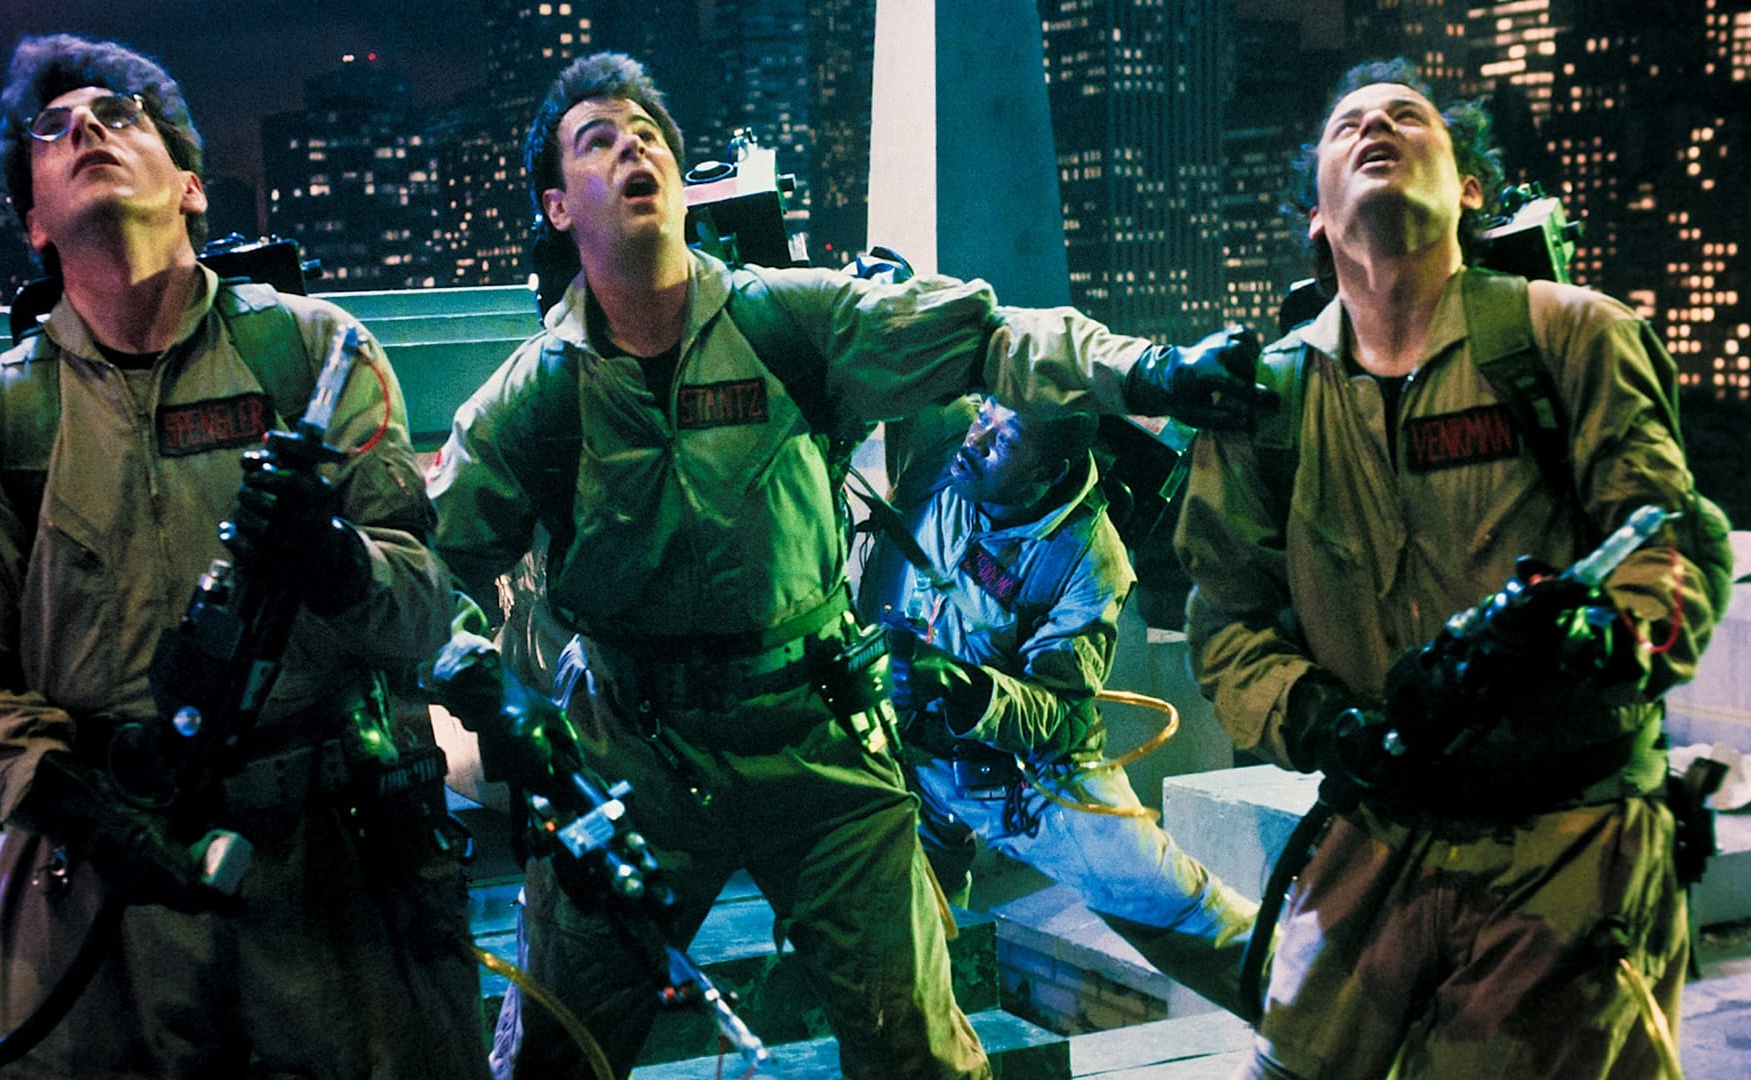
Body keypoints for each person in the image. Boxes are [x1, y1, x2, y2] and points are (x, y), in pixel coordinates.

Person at [428, 51, 1266, 1080]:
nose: (632, 149)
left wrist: (1150, 371)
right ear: (559, 206)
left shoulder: (792, 323)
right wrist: (482, 681)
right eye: (597, 141)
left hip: (816, 738)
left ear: (681, 183)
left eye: (648, 135)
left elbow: (985, 337)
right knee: (554, 1056)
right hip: (629, 754)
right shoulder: (531, 401)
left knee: (919, 1051)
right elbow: (431, 572)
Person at [0, 34, 487, 1077]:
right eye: (54, 129)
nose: (87, 130)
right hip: (101, 884)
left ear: (190, 187)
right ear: (34, 221)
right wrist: (72, 805)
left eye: (119, 115)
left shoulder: (315, 354)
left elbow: (422, 612)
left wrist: (338, 562)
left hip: (332, 870)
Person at [1176, 58, 1732, 1079]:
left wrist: (1597, 640)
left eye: (1409, 117)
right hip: (1377, 832)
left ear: (1471, 188)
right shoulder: (1266, 399)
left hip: (1567, 831)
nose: (1376, 127)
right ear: (1315, 214)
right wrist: (1320, 721)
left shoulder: (1569, 336)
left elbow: (1671, 543)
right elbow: (1228, 616)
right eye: (1348, 125)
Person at [857, 395, 1258, 1016]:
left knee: (1164, 900)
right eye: (984, 417)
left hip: (1024, 779)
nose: (977, 439)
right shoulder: (942, 444)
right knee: (905, 945)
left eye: (1005, 441)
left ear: (1046, 472)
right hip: (909, 755)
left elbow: (1058, 712)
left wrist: (963, 686)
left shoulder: (1090, 559)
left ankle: (1312, 1007)